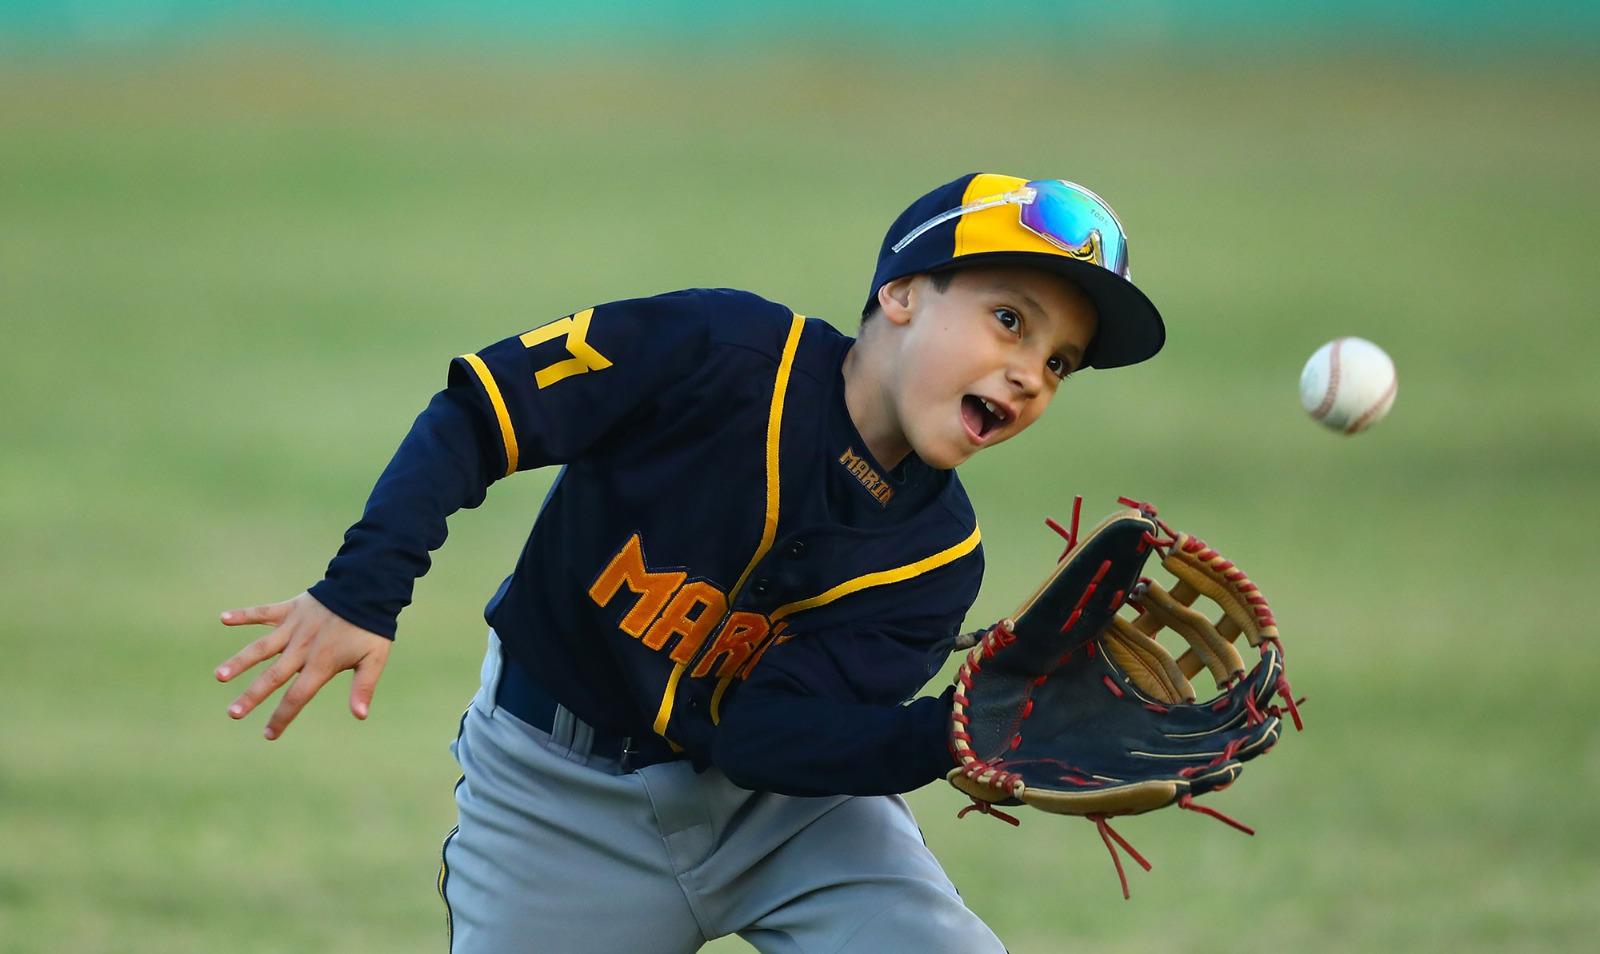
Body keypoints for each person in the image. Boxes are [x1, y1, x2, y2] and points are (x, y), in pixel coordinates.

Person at [214, 172, 1166, 952]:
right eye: (1011, 319)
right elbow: (481, 414)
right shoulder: (715, 352)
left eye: (1059, 362)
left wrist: (954, 734)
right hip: (555, 795)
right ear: (902, 293)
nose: (1030, 373)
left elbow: (764, 739)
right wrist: (363, 591)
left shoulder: (937, 559)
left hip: (784, 822)